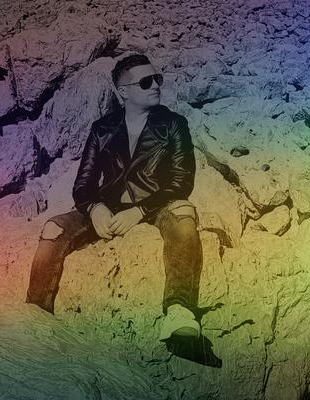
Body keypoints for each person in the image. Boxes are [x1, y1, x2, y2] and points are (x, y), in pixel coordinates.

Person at [25, 54, 203, 341]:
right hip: (108, 206)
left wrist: (140, 210)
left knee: (184, 214)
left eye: (157, 79)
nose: (155, 86)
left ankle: (179, 310)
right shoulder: (102, 128)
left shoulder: (174, 124)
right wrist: (95, 208)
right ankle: (34, 313)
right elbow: (83, 184)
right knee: (52, 228)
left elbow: (182, 181)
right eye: (146, 82)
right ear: (124, 92)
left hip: (156, 204)